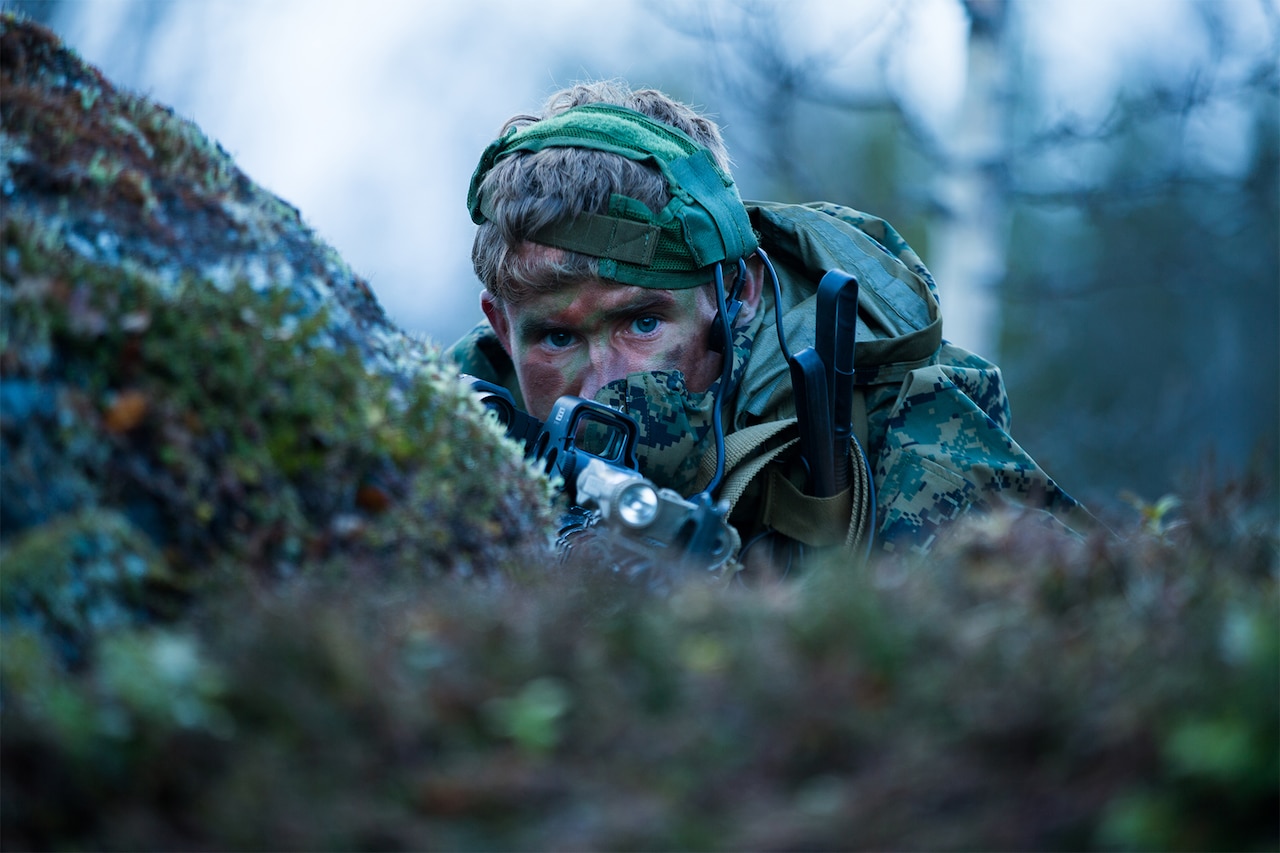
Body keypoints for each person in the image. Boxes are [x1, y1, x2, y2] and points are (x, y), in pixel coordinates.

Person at [448, 80, 1089, 562]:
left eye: (640, 324)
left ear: (737, 292)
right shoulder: (443, 438)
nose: (599, 387)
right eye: (557, 338)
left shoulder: (899, 434)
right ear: (503, 331)